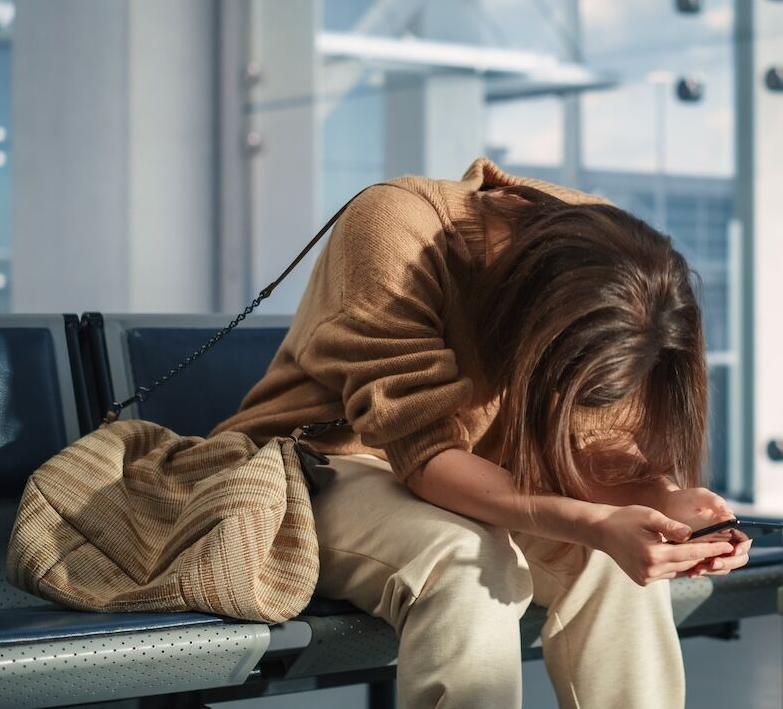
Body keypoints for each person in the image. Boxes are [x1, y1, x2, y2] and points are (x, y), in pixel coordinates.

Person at [213, 158, 750, 708]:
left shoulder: (616, 263)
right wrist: (593, 520)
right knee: (464, 560)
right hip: (320, 466)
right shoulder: (396, 225)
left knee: (615, 568)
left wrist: (662, 499)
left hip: (475, 481)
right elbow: (426, 453)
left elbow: (591, 442)